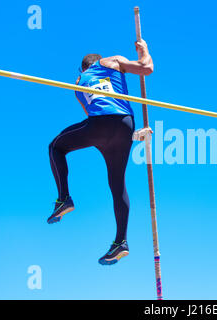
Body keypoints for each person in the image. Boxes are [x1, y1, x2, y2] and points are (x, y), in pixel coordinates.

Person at [47, 39, 154, 265]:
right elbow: (147, 68)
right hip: (124, 125)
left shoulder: (79, 83)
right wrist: (144, 50)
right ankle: (120, 242)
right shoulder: (112, 61)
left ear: (83, 68)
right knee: (118, 186)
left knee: (56, 146)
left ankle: (64, 198)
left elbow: (94, 114)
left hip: (100, 127)